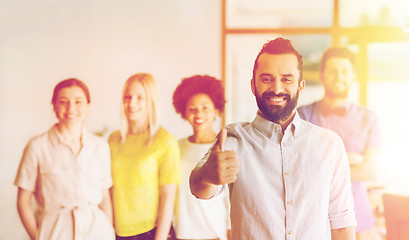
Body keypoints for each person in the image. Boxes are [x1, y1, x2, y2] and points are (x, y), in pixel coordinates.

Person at [189, 38, 357, 239]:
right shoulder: (233, 139)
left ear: (300, 86)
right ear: (253, 85)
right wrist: (208, 174)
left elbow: (341, 223)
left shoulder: (329, 144)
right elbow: (198, 188)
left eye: (287, 79)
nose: (276, 89)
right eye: (267, 79)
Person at [15, 78, 115, 240]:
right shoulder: (37, 147)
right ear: (53, 106)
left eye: (78, 102)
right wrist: (38, 236)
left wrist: (108, 231)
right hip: (55, 231)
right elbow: (23, 201)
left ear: (88, 106)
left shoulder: (100, 146)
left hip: (96, 231)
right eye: (63, 102)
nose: (71, 108)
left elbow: (104, 197)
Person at [298, 47, 382, 240]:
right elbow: (301, 169)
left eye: (345, 71)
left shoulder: (368, 119)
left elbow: (372, 171)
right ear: (322, 75)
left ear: (353, 75)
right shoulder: (302, 116)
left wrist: (323, 167)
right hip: (314, 221)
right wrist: (352, 160)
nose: (339, 76)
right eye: (333, 71)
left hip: (360, 220)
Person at [108, 73, 180, 240]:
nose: (132, 103)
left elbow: (168, 197)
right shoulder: (113, 140)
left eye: (140, 97)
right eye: (128, 97)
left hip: (152, 232)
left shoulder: (165, 141)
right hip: (117, 232)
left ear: (151, 101)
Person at [172, 75, 231, 240]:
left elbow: (232, 199)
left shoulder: (225, 146)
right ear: (184, 112)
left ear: (216, 111)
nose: (198, 113)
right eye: (192, 108)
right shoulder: (175, 147)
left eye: (205, 108)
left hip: (215, 234)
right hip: (181, 235)